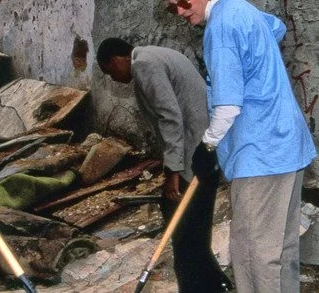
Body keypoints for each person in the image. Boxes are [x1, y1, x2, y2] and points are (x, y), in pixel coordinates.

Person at [156, 0, 317, 293]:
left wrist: (208, 145)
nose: (182, 13)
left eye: (184, 2)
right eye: (173, 8)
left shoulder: (220, 28)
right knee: (282, 247)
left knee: (253, 253)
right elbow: (277, 27)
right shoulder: (241, 10)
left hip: (260, 152)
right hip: (287, 144)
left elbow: (228, 106)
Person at [96, 37, 232, 292]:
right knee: (192, 226)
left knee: (184, 228)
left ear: (115, 61)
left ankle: (201, 286)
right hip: (201, 150)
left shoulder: (145, 64)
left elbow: (170, 117)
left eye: (109, 72)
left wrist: (173, 172)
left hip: (196, 153)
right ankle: (214, 282)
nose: (112, 79)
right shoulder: (153, 57)